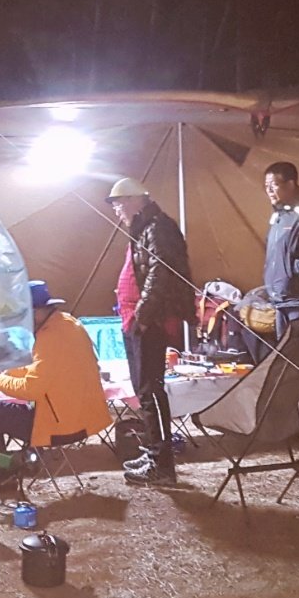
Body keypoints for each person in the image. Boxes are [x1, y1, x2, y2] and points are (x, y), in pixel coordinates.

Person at [106, 178, 194, 487]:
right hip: (136, 319)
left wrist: (143, 317)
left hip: (149, 322)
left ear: (135, 200)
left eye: (119, 203)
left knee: (150, 391)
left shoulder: (157, 227)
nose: (116, 210)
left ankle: (162, 464)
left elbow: (161, 273)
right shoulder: (143, 228)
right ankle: (155, 452)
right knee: (143, 390)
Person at [0, 280, 112, 457]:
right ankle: (1, 464)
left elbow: (31, 390)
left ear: (34, 313)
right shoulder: (68, 323)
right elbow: (43, 368)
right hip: (85, 417)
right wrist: (7, 373)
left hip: (62, 426)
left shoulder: (50, 337)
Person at [240, 161, 299, 363]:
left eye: (274, 185)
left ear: (290, 184)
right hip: (280, 300)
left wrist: (292, 271)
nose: (269, 191)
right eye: (266, 186)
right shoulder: (278, 216)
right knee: (286, 358)